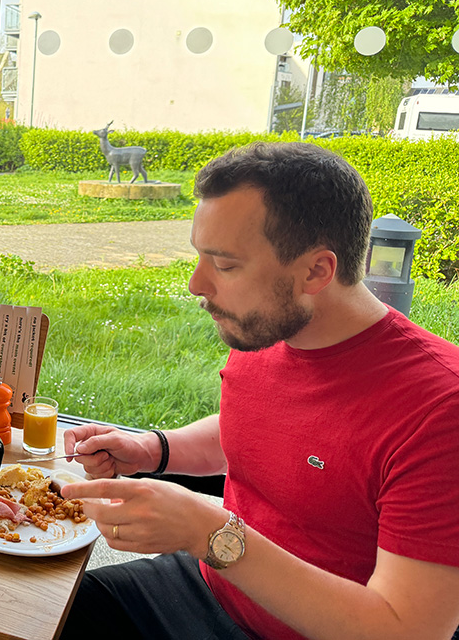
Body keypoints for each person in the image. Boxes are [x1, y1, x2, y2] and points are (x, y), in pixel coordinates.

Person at [59, 142, 459, 640]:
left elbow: (407, 630)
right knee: (42, 618)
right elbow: (251, 425)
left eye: (224, 265)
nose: (195, 284)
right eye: (199, 257)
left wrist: (206, 531)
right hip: (209, 585)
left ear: (316, 271)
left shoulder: (439, 409)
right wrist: (153, 448)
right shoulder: (266, 328)